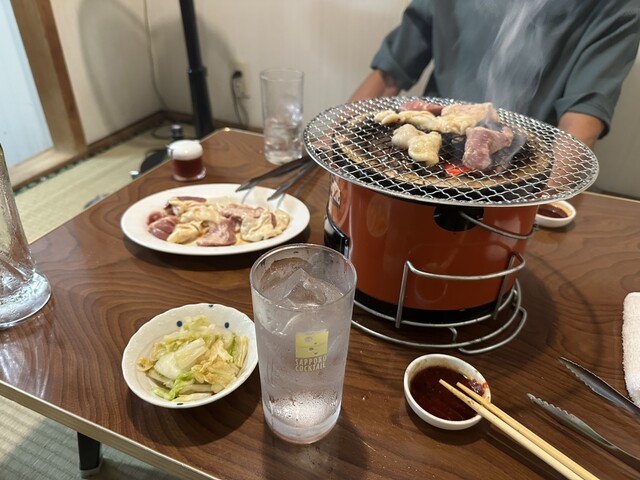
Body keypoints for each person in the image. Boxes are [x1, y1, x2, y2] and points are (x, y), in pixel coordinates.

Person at [350, 0, 640, 150]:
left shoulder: (614, 5)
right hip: (430, 148)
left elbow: (581, 123)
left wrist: (538, 210)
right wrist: (337, 146)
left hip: (523, 170)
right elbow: (388, 76)